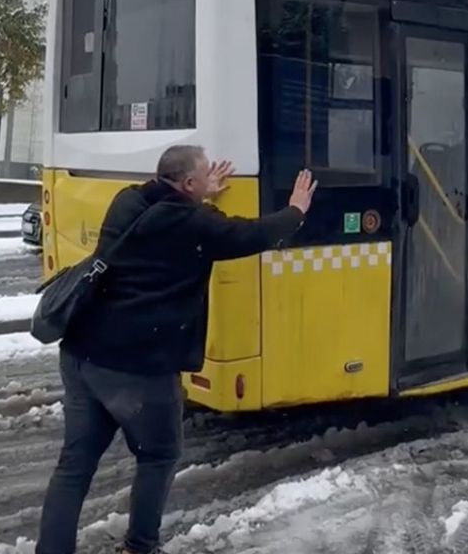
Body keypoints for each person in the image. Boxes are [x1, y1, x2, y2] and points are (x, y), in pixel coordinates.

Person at [36, 145, 317, 554]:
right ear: (187, 184)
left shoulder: (129, 200)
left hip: (82, 353)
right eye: (204, 176)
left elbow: (183, 220)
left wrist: (203, 194)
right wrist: (296, 210)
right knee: (159, 455)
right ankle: (140, 546)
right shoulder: (193, 224)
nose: (211, 180)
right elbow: (250, 234)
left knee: (74, 466)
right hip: (137, 367)